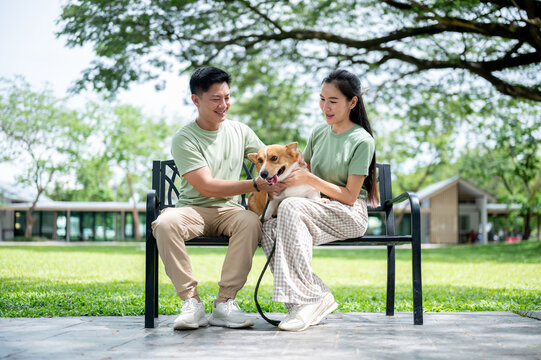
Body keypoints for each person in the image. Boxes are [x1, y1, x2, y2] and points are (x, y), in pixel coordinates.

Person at [152, 66, 282, 330]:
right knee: (165, 224)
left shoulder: (241, 131)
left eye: (227, 97)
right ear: (196, 100)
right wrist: (255, 185)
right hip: (192, 210)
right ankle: (191, 303)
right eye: (216, 99)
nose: (224, 105)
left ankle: (224, 303)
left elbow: (269, 157)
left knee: (249, 221)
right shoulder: (184, 138)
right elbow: (207, 187)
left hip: (229, 211)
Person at [260, 69, 378, 332]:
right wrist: (286, 181)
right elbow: (305, 175)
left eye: (333, 101)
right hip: (314, 208)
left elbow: (348, 196)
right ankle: (308, 303)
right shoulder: (317, 133)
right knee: (268, 229)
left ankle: (308, 303)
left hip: (349, 214)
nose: (325, 107)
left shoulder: (362, 140)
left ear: (352, 102)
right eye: (322, 99)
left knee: (290, 207)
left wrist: (308, 180)